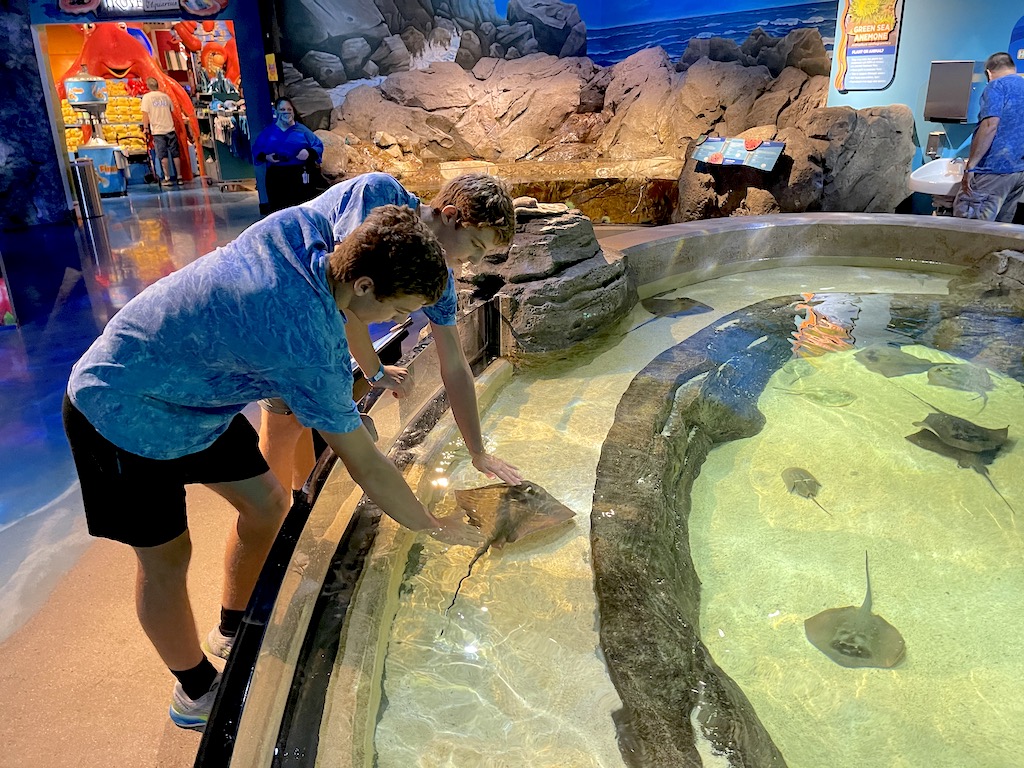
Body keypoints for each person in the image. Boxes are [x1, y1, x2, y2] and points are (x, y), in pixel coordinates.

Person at [62, 204, 484, 731]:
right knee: (167, 559)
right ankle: (193, 690)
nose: (397, 322)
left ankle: (231, 626)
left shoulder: (308, 233)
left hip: (198, 401)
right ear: (367, 286)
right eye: (399, 310)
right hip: (118, 407)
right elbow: (368, 468)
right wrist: (430, 525)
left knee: (267, 502)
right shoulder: (306, 347)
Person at [258, 172, 523, 499]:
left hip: (316, 331)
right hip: (282, 313)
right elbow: (344, 295)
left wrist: (477, 451)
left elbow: (454, 364)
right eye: (476, 246)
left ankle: (297, 496)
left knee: (298, 424)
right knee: (281, 432)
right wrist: (372, 373)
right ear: (452, 216)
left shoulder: (441, 283)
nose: (475, 262)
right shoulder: (378, 193)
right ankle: (280, 524)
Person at [955, 52, 1024, 222]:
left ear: (988, 73)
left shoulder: (996, 86)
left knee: (969, 225)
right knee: (1000, 232)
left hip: (993, 169)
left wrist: (970, 167)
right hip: (1019, 172)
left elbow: (990, 125)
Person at [252, 97, 325, 212]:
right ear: (276, 111)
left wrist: (308, 153)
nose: (286, 112)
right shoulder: (268, 132)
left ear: (293, 111)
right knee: (279, 211)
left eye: (289, 109)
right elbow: (257, 150)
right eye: (282, 109)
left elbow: (318, 146)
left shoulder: (302, 130)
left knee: (301, 210)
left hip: (299, 176)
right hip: (277, 177)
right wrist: (266, 157)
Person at [141, 77, 184, 187]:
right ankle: (179, 177)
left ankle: (167, 178)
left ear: (148, 86)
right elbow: (171, 110)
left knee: (162, 154)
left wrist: (145, 128)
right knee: (175, 153)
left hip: (158, 130)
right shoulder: (166, 97)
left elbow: (145, 114)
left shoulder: (146, 98)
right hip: (170, 128)